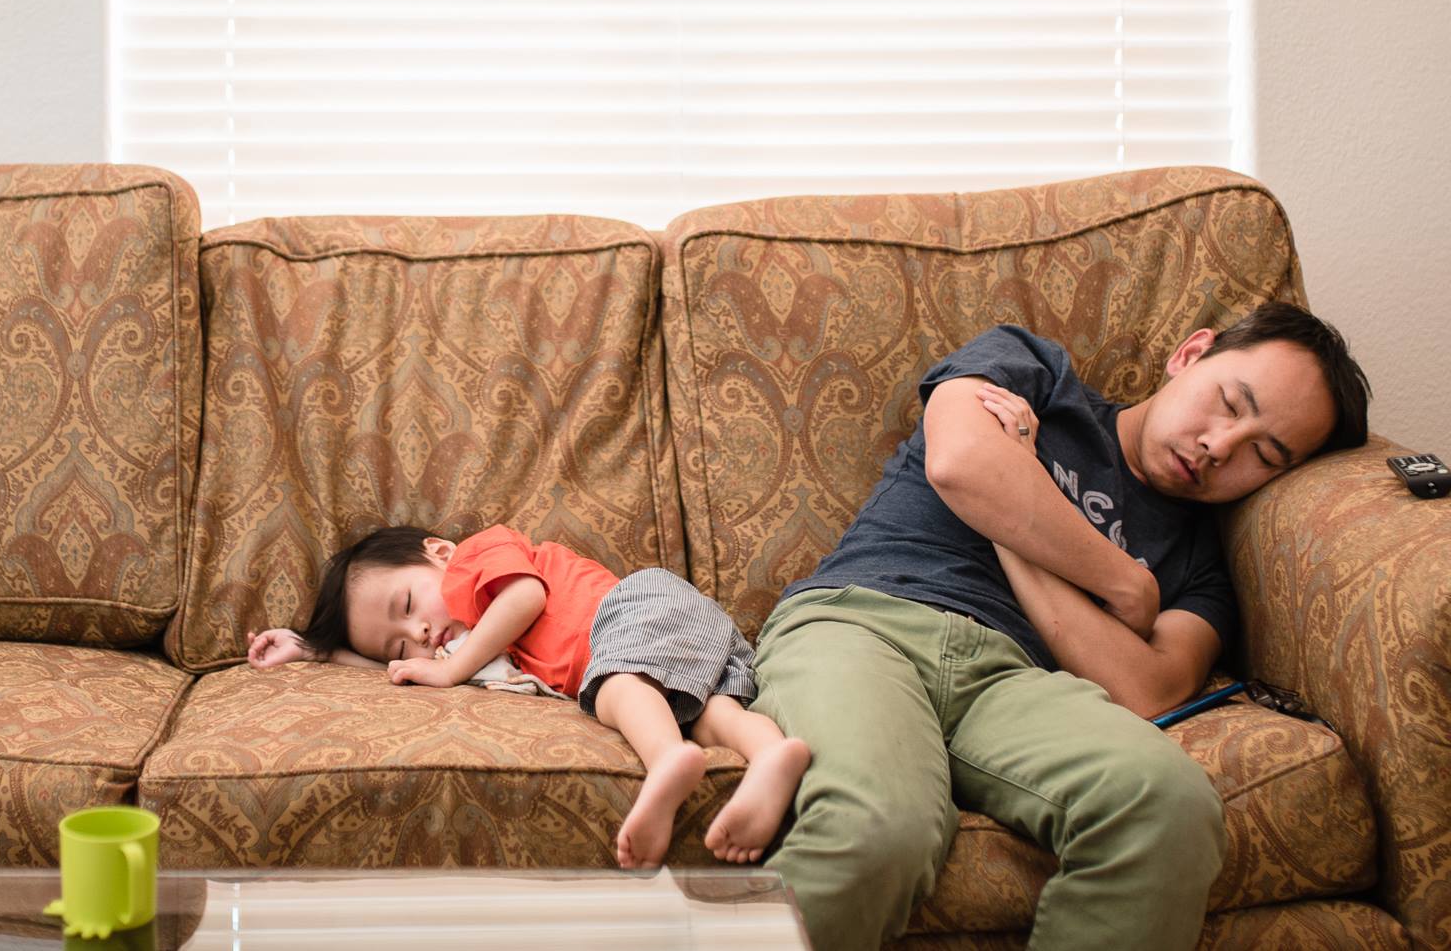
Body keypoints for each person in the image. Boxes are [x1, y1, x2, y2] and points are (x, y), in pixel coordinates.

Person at [750, 302, 1371, 951]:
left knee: (1168, 803)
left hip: (1010, 684)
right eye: (1228, 403)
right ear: (1190, 354)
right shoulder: (1035, 369)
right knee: (882, 827)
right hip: (862, 620)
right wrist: (1125, 584)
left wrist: (1018, 515)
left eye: (1263, 455)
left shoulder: (1203, 565)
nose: (1220, 446)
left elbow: (1146, 688)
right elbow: (961, 462)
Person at [246, 523, 813, 868]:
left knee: (616, 689)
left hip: (636, 608)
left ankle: (665, 760)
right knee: (712, 713)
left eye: (408, 605)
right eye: (401, 641)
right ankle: (770, 756)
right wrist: (311, 648)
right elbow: (388, 667)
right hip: (681, 645)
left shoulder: (476, 559)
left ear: (438, 553)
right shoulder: (468, 641)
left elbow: (526, 598)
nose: (419, 634)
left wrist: (448, 672)